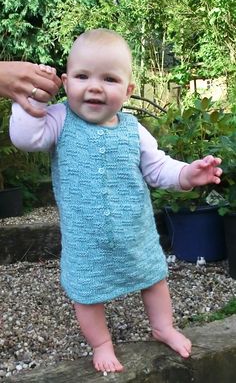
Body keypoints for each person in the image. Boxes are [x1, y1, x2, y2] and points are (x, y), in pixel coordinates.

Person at [9, 29, 222, 373]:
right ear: (65, 82)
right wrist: (33, 100)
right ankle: (101, 343)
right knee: (88, 294)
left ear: (128, 90)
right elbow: (25, 137)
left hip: (134, 235)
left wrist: (187, 175)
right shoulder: (60, 120)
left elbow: (158, 168)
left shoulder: (134, 129)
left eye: (109, 78)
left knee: (154, 279)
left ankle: (163, 326)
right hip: (86, 241)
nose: (94, 86)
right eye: (82, 76)